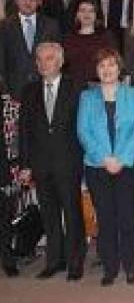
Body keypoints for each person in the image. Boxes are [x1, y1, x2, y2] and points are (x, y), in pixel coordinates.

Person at [77, 48, 134, 286]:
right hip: (97, 167)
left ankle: (130, 266)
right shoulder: (87, 97)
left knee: (128, 217)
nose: (107, 70)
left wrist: (120, 158)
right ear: (97, 71)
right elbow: (83, 132)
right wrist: (105, 158)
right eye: (102, 66)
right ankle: (110, 267)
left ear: (119, 69)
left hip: (129, 166)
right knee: (105, 219)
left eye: (111, 65)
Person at [19, 42, 85, 280]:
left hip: (69, 162)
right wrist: (25, 165)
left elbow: (84, 127)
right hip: (40, 164)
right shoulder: (29, 91)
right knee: (49, 214)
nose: (43, 64)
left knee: (72, 213)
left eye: (48, 59)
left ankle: (76, 262)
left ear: (60, 61)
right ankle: (54, 261)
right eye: (39, 60)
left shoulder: (76, 87)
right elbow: (24, 130)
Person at [0, 0, 60, 99]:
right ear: (16, 1)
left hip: (45, 88)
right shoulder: (4, 27)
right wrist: (4, 89)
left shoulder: (51, 25)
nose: (28, 3)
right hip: (13, 91)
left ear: (39, 2)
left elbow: (58, 59)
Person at [0, 79, 19, 277]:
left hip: (6, 171)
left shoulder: (12, 107)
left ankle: (8, 259)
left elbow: (20, 140)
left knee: (5, 218)